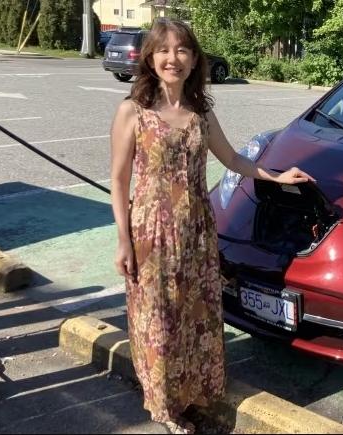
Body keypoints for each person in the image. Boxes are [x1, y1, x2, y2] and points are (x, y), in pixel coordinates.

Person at [109, 18, 314, 434]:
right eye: (164, 50)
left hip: (198, 230)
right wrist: (123, 241)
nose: (173, 59)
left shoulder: (201, 111)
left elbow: (233, 160)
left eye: (183, 50)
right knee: (158, 319)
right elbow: (118, 179)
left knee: (196, 314)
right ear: (150, 57)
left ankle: (194, 393)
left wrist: (276, 176)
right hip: (151, 233)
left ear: (194, 59)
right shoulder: (133, 111)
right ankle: (165, 407)